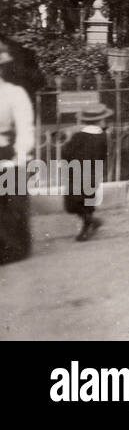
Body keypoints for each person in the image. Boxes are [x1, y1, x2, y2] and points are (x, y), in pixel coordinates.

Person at [0, 42, 35, 264]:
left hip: (5, 152)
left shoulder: (13, 94)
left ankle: (11, 247)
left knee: (9, 202)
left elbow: (25, 126)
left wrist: (20, 155)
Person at [61, 105, 110, 242]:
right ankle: (90, 221)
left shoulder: (78, 136)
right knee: (87, 200)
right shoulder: (102, 136)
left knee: (73, 202)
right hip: (92, 173)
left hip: (76, 172)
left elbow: (66, 153)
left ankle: (88, 224)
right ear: (100, 121)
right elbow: (102, 156)